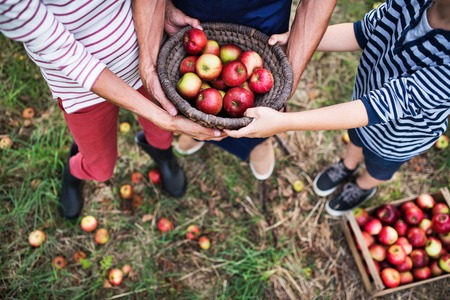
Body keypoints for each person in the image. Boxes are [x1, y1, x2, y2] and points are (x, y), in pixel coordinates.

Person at [0, 0, 223, 219]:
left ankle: (163, 155)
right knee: (101, 169)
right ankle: (74, 168)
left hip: (147, 55)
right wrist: (165, 119)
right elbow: (64, 54)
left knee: (162, 136)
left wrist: (162, 8)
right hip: (80, 89)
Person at [225, 0, 450, 216]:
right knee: (355, 138)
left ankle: (363, 185)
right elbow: (363, 32)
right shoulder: (413, 3)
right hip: (360, 106)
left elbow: (379, 106)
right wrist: (294, 39)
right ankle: (347, 165)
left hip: (399, 136)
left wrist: (285, 122)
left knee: (378, 166)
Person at [164, 0, 337, 180]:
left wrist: (290, 76)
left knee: (261, 109)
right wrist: (166, 7)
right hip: (194, 17)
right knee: (199, 111)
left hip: (263, 17)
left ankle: (259, 142)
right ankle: (200, 135)